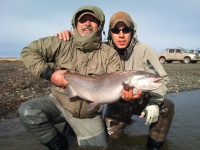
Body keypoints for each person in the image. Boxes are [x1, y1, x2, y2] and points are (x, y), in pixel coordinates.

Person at [17, 5, 133, 149]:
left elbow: (115, 79)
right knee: (28, 111)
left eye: (92, 20)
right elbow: (29, 51)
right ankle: (59, 144)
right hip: (60, 102)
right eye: (83, 20)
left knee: (100, 147)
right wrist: (50, 74)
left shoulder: (109, 54)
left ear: (100, 25)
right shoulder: (62, 42)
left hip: (87, 114)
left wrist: (126, 94)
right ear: (75, 24)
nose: (87, 23)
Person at [56, 11, 175, 150]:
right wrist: (73, 36)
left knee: (167, 107)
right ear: (110, 32)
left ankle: (154, 147)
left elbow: (162, 78)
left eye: (126, 29)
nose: (121, 35)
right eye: (115, 30)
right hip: (114, 100)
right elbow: (83, 45)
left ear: (132, 31)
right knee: (113, 133)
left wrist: (155, 103)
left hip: (139, 98)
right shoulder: (102, 49)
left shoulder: (144, 50)